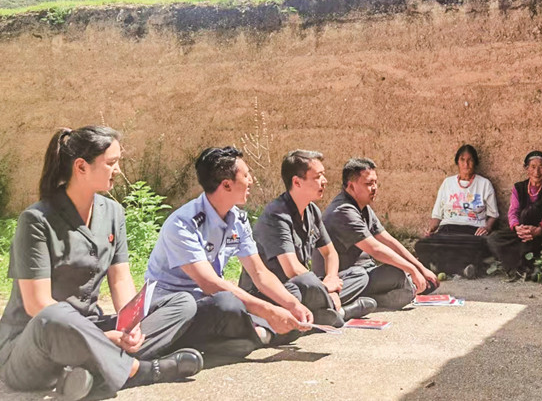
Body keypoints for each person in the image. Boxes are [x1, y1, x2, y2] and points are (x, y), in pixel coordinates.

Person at [0, 127, 202, 401]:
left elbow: (120, 279)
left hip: (91, 328)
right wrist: (101, 339)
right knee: (55, 314)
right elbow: (37, 305)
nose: (118, 170)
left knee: (182, 303)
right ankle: (137, 371)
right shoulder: (36, 220)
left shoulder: (113, 213)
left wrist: (131, 325)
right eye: (111, 163)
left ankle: (90, 373)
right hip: (35, 344)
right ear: (81, 167)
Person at [145, 146, 312, 360]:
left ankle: (245, 337)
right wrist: (269, 311)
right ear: (226, 184)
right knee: (227, 304)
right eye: (246, 175)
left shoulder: (238, 220)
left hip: (210, 302)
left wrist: (293, 305)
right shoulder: (183, 224)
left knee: (290, 297)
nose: (251, 180)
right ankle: (254, 334)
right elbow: (210, 284)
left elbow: (260, 273)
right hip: (177, 308)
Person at [239, 149, 376, 327]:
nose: (325, 181)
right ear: (297, 182)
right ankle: (340, 312)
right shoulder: (277, 215)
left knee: (359, 274)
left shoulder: (312, 211)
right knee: (303, 285)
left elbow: (330, 253)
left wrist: (330, 281)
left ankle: (326, 310)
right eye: (318, 176)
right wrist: (325, 288)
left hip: (307, 287)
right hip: (276, 292)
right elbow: (291, 269)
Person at [313, 157, 439, 309]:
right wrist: (412, 270)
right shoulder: (343, 211)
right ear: (351, 186)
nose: (374, 188)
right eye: (368, 184)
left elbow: (388, 241)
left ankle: (364, 303)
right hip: (346, 278)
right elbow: (376, 249)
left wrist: (420, 268)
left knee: (400, 276)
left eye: (375, 183)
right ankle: (344, 305)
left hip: (366, 272)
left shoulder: (364, 207)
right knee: (370, 277)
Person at [414, 144, 499, 278]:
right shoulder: (447, 183)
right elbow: (437, 214)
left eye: (470, 160)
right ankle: (463, 269)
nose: (466, 164)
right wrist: (431, 229)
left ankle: (438, 266)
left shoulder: (484, 184)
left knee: (479, 245)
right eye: (462, 160)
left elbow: (493, 215)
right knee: (421, 245)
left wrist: (487, 227)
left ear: (475, 162)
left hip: (472, 232)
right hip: (448, 231)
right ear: (457, 162)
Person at [488, 151, 542, 278]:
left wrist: (539, 230)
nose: (537, 172)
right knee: (493, 238)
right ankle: (521, 264)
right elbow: (513, 211)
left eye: (541, 167)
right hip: (521, 230)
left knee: (529, 213)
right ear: (526, 168)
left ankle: (521, 265)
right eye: (533, 167)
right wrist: (517, 227)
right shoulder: (518, 188)